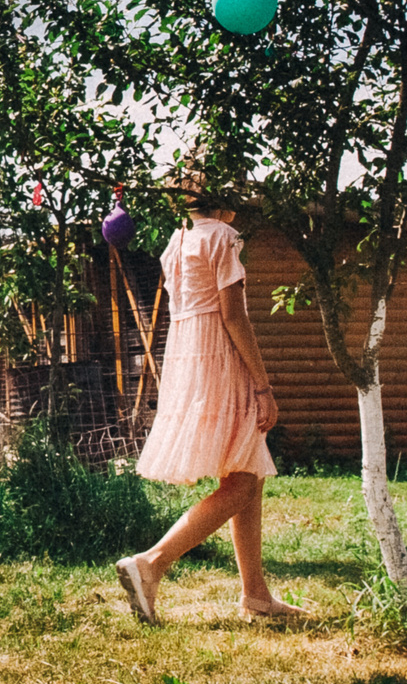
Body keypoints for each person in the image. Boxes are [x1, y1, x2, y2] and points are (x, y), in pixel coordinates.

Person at [113, 196, 301, 624]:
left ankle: (256, 594)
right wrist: (263, 385)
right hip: (219, 354)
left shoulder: (177, 240)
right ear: (226, 202)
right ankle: (152, 563)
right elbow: (234, 315)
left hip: (188, 356)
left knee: (243, 469)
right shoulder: (223, 236)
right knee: (243, 480)